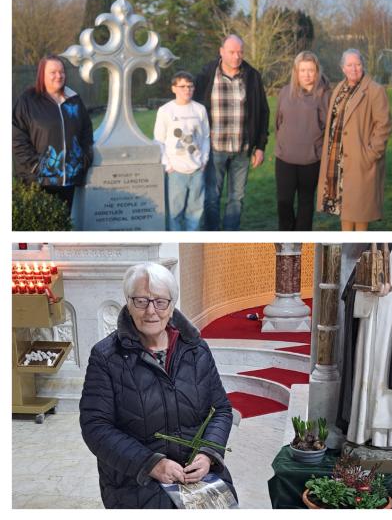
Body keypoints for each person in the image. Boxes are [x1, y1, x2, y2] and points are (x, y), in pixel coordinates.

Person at [79, 262, 235, 508]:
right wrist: (151, 464)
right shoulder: (106, 357)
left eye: (160, 302)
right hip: (136, 480)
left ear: (172, 306)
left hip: (197, 474)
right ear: (128, 304)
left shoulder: (196, 349)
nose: (151, 311)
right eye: (141, 301)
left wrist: (208, 455)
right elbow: (95, 427)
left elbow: (222, 410)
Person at [194, 34, 269, 230]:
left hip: (242, 150)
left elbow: (263, 111)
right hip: (214, 148)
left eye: (240, 52)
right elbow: (192, 107)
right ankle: (211, 233)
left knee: (237, 199)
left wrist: (260, 147)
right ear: (221, 52)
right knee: (212, 197)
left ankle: (230, 233)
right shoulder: (207, 74)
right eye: (232, 52)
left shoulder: (252, 76)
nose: (237, 56)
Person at [317, 49, 392, 231]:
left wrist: (370, 154)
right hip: (338, 161)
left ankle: (356, 252)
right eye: (349, 65)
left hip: (360, 160)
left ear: (363, 65)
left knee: (360, 212)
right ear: (343, 68)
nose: (354, 69)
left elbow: (384, 125)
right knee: (345, 209)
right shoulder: (339, 90)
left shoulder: (374, 90)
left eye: (357, 64)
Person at [12, 55, 94, 212]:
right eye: (53, 72)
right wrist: (36, 165)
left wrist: (84, 159)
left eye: (61, 71)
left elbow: (86, 131)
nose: (59, 76)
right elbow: (16, 137)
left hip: (68, 180)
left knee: (62, 227)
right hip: (38, 181)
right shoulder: (28, 101)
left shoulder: (74, 100)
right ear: (42, 74)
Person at [274, 51, 331, 231]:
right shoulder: (285, 93)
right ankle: (286, 238)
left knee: (306, 203)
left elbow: (329, 128)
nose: (307, 74)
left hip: (311, 160)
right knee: (284, 202)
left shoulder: (325, 95)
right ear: (296, 72)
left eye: (311, 70)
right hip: (285, 159)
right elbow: (278, 122)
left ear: (317, 71)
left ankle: (303, 238)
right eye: (302, 70)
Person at [153, 71, 210, 231]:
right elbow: (159, 139)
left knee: (195, 212)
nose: (187, 90)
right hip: (175, 171)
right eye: (183, 86)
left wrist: (204, 160)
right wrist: (167, 165)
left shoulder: (199, 110)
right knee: (174, 213)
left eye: (190, 86)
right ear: (174, 88)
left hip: (197, 169)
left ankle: (191, 243)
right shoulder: (166, 111)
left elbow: (205, 137)